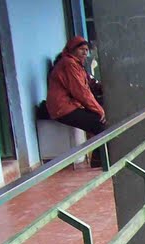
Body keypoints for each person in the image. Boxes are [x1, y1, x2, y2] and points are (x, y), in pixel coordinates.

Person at [47, 36, 106, 167]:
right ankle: (100, 161)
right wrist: (99, 110)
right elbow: (81, 91)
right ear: (72, 50)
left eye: (86, 50)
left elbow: (89, 84)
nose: (85, 53)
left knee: (101, 120)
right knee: (100, 123)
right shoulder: (69, 64)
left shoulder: (77, 65)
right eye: (82, 49)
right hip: (63, 108)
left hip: (70, 106)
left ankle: (100, 160)